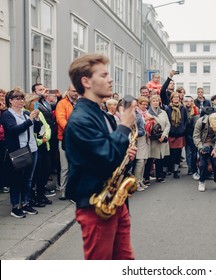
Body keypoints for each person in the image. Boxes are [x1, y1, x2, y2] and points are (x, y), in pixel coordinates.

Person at [64, 54, 138, 260]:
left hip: (115, 202)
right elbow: (105, 158)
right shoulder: (80, 120)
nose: (110, 79)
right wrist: (123, 126)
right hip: (96, 206)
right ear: (86, 82)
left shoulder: (102, 114)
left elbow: (110, 151)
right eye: (103, 75)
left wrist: (126, 153)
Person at [2, 87, 42, 218]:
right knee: (16, 179)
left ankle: (25, 203)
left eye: (22, 98)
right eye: (17, 98)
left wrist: (36, 119)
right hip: (18, 151)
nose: (20, 101)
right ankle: (15, 206)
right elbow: (13, 130)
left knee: (28, 179)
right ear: (10, 101)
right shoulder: (7, 115)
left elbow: (36, 129)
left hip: (31, 149)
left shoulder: (25, 113)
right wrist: (29, 120)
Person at [24, 93, 53, 207]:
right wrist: (41, 140)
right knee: (36, 173)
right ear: (28, 103)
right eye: (34, 102)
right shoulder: (26, 113)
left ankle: (41, 194)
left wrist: (47, 136)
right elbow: (31, 132)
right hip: (36, 145)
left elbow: (47, 126)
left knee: (46, 171)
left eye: (37, 102)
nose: (36, 104)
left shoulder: (39, 113)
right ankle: (33, 196)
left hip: (45, 145)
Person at [193, 112, 216, 192]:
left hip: (214, 144)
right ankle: (202, 181)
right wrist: (200, 148)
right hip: (203, 143)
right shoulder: (200, 122)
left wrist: (215, 149)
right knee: (202, 164)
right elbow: (196, 136)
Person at [56, 85, 78, 200]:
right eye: (73, 91)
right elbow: (60, 119)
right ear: (68, 91)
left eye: (77, 91)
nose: (75, 93)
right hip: (65, 139)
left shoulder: (79, 103)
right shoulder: (62, 103)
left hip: (78, 140)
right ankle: (63, 191)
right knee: (65, 167)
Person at [144, 95, 171, 183]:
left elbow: (168, 124)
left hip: (161, 137)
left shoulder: (163, 112)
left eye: (157, 101)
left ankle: (159, 176)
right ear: (150, 102)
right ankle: (146, 177)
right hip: (152, 139)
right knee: (150, 158)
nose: (156, 102)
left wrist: (164, 135)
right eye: (153, 101)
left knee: (160, 157)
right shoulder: (147, 113)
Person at [165, 92, 188, 179]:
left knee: (178, 153)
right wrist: (171, 131)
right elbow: (167, 121)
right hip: (171, 134)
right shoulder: (168, 108)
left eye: (177, 97)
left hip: (180, 134)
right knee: (170, 153)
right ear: (171, 98)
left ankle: (176, 170)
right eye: (174, 97)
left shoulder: (183, 108)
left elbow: (185, 120)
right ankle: (169, 169)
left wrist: (183, 129)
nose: (176, 98)